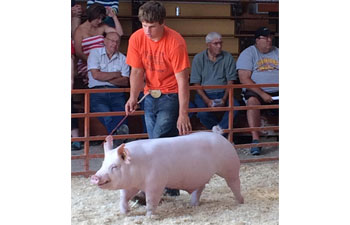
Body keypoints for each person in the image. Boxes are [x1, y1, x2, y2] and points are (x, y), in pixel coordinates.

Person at [125, 1, 192, 197]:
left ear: (162, 23)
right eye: (144, 25)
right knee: (163, 141)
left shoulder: (175, 41)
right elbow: (136, 71)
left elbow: (183, 80)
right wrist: (132, 97)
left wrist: (183, 113)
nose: (147, 30)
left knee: (156, 142)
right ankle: (171, 186)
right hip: (149, 94)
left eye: (152, 26)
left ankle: (150, 190)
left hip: (171, 95)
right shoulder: (137, 38)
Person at [236, 27, 279, 155]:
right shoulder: (248, 53)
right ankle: (256, 140)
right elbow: (244, 78)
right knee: (252, 102)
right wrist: (262, 94)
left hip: (278, 90)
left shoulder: (278, 52)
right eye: (265, 37)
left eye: (270, 37)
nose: (269, 40)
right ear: (257, 40)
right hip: (257, 91)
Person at [190, 32, 240, 131]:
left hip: (223, 92)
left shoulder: (228, 57)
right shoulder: (199, 58)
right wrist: (207, 100)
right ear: (208, 45)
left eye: (221, 43)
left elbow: (231, 81)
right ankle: (221, 132)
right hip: (204, 93)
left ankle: (219, 131)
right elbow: (196, 83)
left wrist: (224, 99)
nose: (219, 46)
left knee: (236, 107)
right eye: (216, 44)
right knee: (202, 113)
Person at [87, 32, 130, 147]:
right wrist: (116, 74)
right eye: (111, 41)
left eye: (117, 42)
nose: (114, 44)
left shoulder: (123, 58)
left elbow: (125, 81)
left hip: (116, 92)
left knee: (121, 114)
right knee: (107, 115)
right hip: (97, 92)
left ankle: (115, 140)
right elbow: (96, 76)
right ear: (105, 41)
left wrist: (105, 77)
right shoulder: (95, 53)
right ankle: (119, 138)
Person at [73, 2, 123, 88]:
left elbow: (119, 33)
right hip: (87, 62)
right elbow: (78, 52)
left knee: (118, 72)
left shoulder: (102, 26)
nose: (100, 21)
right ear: (91, 16)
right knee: (100, 74)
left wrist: (114, 17)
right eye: (98, 18)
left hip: (104, 60)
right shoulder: (79, 30)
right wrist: (93, 61)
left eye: (102, 19)